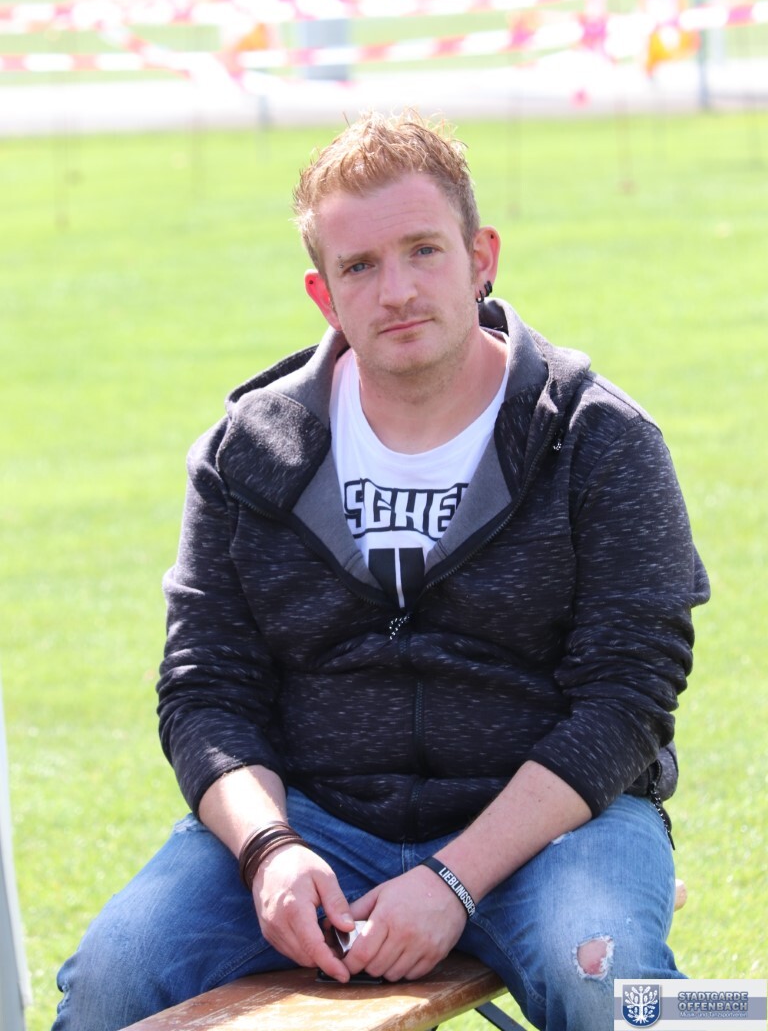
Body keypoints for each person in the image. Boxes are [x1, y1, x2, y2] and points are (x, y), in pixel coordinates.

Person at [52, 110, 710, 1031]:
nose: (396, 290)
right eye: (359, 266)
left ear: (481, 257)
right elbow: (205, 692)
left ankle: (728, 1014)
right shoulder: (248, 455)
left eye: (423, 251)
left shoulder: (599, 439)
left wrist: (452, 879)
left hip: (552, 830)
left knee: (615, 984)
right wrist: (270, 850)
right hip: (316, 827)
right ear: (324, 295)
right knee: (113, 979)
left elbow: (628, 699)